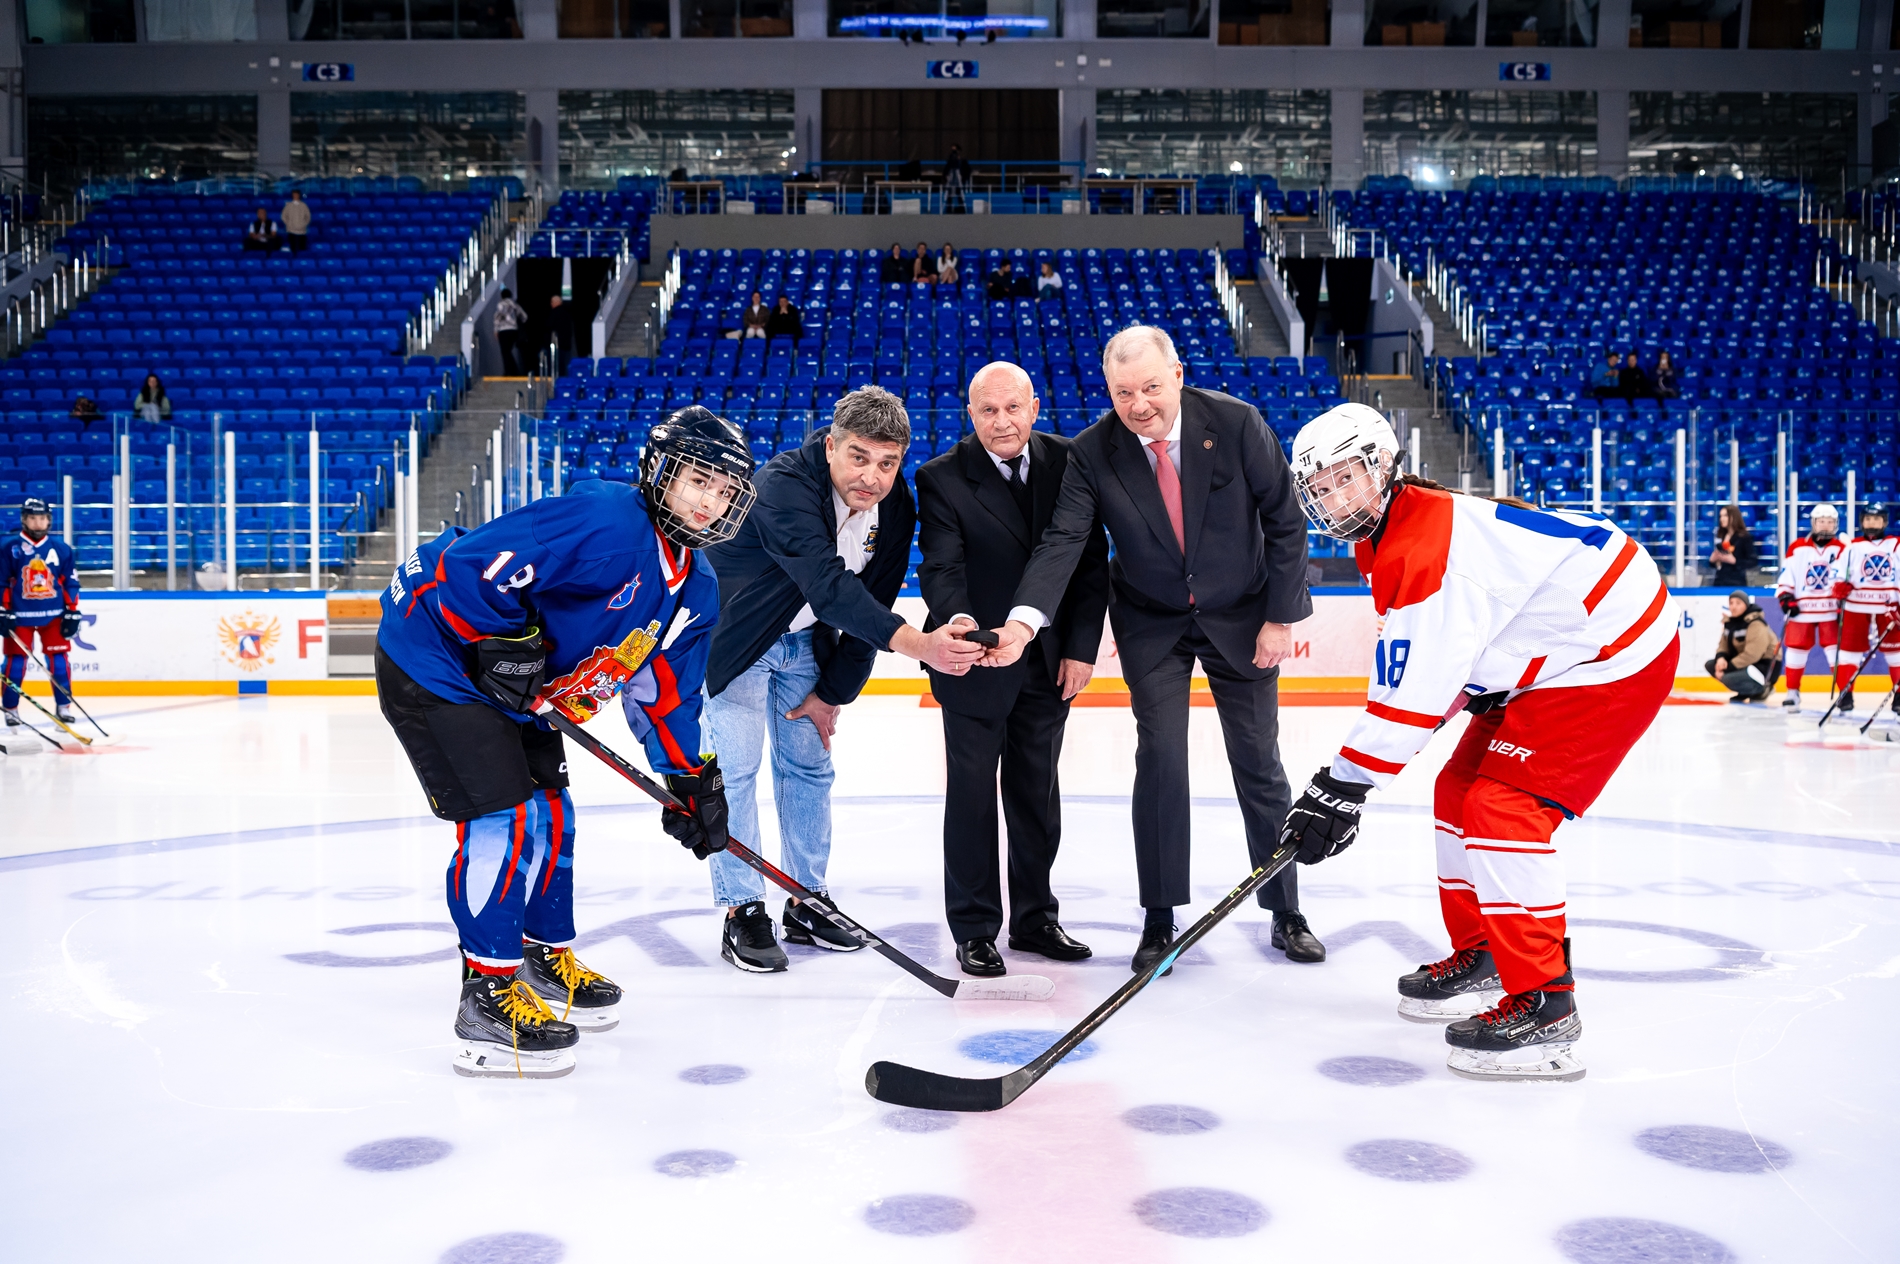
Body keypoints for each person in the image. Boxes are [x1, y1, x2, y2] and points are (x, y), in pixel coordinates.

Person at [1278, 403, 1680, 1082]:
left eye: (1345, 478)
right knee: (1457, 791)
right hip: (1554, 646)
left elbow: (1413, 694)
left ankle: (1546, 1005)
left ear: (1382, 468)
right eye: (1319, 488)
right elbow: (1434, 678)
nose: (1333, 498)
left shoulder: (1422, 546)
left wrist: (1340, 788)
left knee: (1503, 811)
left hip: (1608, 651)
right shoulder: (1398, 526)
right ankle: (1487, 953)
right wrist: (1346, 785)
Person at [374, 407, 757, 1078]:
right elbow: (465, 569)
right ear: (662, 473)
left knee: (552, 816)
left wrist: (690, 778)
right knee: (502, 817)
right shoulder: (605, 522)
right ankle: (485, 999)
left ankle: (541, 958)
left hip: (515, 689)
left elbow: (663, 693)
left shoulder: (695, 589)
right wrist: (509, 646)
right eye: (699, 480)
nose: (710, 501)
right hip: (433, 654)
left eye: (725, 491)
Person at [983, 326, 1325, 971]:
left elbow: (1283, 517)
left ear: (1176, 373)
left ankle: (1286, 910)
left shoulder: (1236, 422)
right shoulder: (1092, 453)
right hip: (1151, 622)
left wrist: (1281, 617)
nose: (1138, 404)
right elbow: (1064, 542)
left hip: (1244, 618)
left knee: (1258, 760)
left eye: (1150, 388)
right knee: (1161, 758)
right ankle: (1160, 917)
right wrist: (1024, 623)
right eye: (1122, 393)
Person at [700, 386, 988, 973]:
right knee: (735, 771)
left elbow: (873, 597)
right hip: (739, 644)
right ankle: (743, 908)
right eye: (858, 457)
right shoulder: (781, 485)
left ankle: (807, 898)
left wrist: (833, 692)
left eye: (887, 463)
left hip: (806, 645)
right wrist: (920, 645)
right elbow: (829, 587)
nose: (872, 477)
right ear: (830, 446)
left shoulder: (896, 505)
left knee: (810, 767)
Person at [915, 362, 1110, 977]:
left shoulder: (1070, 461)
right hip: (975, 661)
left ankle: (1035, 919)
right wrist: (967, 630)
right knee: (972, 798)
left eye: (1012, 408)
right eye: (987, 411)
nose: (1001, 422)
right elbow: (941, 570)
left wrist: (1080, 647)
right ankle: (975, 928)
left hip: (1048, 663)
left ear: (1034, 406)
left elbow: (1087, 564)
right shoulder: (941, 477)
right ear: (969, 415)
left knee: (1036, 795)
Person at [2, 497, 82, 727]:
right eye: (33, 518)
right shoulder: (9, 548)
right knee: (14, 664)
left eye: (43, 518)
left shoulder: (61, 548)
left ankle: (63, 707)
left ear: (49, 520)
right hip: (20, 616)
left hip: (54, 615)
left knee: (59, 663)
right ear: (24, 520)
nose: (38, 523)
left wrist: (72, 611)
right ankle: (10, 709)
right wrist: (2, 610)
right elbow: (2, 581)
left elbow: (70, 581)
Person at [1830, 502, 1899, 722]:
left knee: (1895, 653)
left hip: (1888, 607)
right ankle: (1846, 694)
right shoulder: (1851, 547)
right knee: (1848, 652)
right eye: (1868, 519)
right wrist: (1839, 586)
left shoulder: (1895, 544)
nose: (1871, 523)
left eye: (1876, 519)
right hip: (1856, 605)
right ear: (1862, 522)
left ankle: (1899, 696)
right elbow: (1837, 573)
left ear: (1885, 522)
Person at [1775, 503, 1844, 712]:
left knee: (1835, 652)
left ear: (1836, 525)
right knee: (1796, 649)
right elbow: (1788, 573)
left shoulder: (1842, 548)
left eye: (1830, 522)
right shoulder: (1797, 547)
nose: (1825, 526)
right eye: (1821, 521)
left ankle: (1844, 693)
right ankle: (1792, 692)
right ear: (1813, 523)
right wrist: (1786, 596)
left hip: (1830, 610)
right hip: (1803, 608)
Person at [1706, 590, 1780, 703]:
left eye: (1738, 603)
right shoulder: (1730, 623)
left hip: (1765, 665)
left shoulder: (1756, 623)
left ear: (1746, 605)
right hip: (1746, 663)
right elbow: (1723, 645)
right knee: (1711, 665)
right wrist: (1721, 659)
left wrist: (1728, 667)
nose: (1733, 607)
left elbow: (1753, 654)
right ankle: (1745, 692)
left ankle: (1762, 689)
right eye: (1731, 603)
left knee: (1727, 677)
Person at [1708, 504, 1756, 587]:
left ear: (1733, 517)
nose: (1722, 519)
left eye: (1725, 516)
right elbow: (1719, 563)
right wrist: (1713, 560)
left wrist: (1735, 561)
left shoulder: (1744, 537)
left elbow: (1753, 561)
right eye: (1720, 516)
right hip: (1720, 581)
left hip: (1736, 581)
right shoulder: (1721, 536)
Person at [493, 288, 527, 375]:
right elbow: (524, 317)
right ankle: (513, 371)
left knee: (505, 352)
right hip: (513, 331)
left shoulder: (501, 304)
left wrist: (496, 330)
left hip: (503, 330)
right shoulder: (515, 304)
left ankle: (509, 371)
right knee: (508, 351)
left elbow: (497, 317)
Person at [547, 295, 575, 375]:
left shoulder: (554, 313)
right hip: (567, 345)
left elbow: (549, 326)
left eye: (552, 302)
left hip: (558, 346)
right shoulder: (567, 313)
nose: (551, 304)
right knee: (565, 368)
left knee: (557, 368)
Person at [943, 144, 972, 214]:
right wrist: (946, 175)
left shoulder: (963, 161)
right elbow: (946, 169)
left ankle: (962, 209)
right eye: (952, 150)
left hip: (959, 181)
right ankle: (949, 209)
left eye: (955, 151)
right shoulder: (950, 160)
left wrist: (963, 177)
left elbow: (967, 170)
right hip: (951, 180)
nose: (954, 153)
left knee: (960, 195)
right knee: (949, 195)